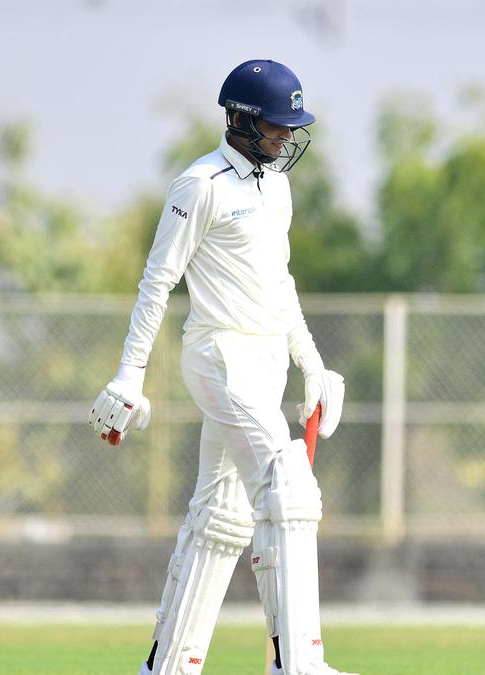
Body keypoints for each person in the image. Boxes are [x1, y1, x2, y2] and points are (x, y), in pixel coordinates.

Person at [88, 59, 356, 675]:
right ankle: (300, 664)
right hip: (218, 354)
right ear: (239, 120)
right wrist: (130, 374)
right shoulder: (200, 185)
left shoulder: (276, 187)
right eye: (274, 127)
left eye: (291, 127)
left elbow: (279, 281)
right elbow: (158, 281)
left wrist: (310, 362)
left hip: (265, 360)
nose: (285, 138)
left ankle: (168, 668)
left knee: (221, 515)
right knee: (288, 482)